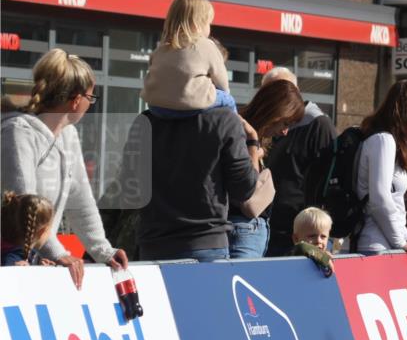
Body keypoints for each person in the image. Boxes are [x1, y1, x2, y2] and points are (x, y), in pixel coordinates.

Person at [1, 49, 128, 288]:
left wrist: (103, 250)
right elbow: (23, 207)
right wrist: (57, 253)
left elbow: (81, 202)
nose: (90, 105)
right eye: (91, 98)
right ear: (76, 99)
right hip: (10, 259)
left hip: (33, 259)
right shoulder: (18, 133)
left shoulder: (68, 135)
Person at [116, 98, 258, 263]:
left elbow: (129, 188)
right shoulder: (224, 119)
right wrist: (253, 145)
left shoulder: (144, 122)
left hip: (154, 242)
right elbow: (244, 189)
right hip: (206, 242)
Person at [262, 68, 339, 257]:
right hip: (268, 228)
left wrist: (318, 236)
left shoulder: (318, 124)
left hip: (302, 236)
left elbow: (328, 181)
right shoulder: (268, 123)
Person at [356, 79, 407, 265]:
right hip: (376, 246)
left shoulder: (387, 141)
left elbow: (392, 203)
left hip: (385, 243)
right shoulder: (383, 141)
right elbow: (380, 199)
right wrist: (401, 241)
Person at [227, 80, 305, 258]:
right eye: (285, 123)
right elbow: (249, 189)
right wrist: (254, 142)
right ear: (275, 113)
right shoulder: (244, 134)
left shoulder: (251, 138)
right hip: (244, 231)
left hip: (250, 232)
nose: (285, 132)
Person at [141, 0, 236, 115]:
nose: (209, 28)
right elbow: (221, 80)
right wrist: (224, 91)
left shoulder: (160, 49)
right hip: (190, 105)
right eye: (208, 23)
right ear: (198, 24)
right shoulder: (206, 45)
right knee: (228, 99)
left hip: (157, 107)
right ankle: (237, 128)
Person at [1, 192, 55, 266]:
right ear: (41, 232)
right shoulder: (13, 257)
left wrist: (38, 267)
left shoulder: (11, 252)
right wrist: (13, 269)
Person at [289, 206, 336, 277]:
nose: (318, 241)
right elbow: (301, 247)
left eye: (323, 236)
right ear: (296, 238)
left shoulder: (322, 254)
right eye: (312, 236)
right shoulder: (296, 252)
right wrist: (323, 257)